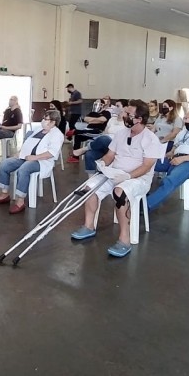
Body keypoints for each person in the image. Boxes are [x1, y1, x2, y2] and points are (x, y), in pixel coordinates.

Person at [69, 100, 161, 258]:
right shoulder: (121, 134)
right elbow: (110, 155)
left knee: (120, 193)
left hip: (138, 178)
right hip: (114, 173)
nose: (123, 116)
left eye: (128, 114)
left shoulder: (151, 139)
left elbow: (147, 166)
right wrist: (102, 163)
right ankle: (88, 226)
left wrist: (128, 176)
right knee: (89, 188)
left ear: (139, 119)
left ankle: (124, 239)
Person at [0, 109, 64, 214]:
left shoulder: (57, 135)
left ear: (53, 122)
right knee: (4, 164)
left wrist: (35, 157)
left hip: (41, 161)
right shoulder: (38, 129)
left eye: (46, 119)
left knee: (24, 169)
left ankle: (20, 201)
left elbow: (51, 153)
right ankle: (4, 194)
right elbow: (28, 142)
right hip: (25, 157)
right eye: (43, 118)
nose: (43, 120)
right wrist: (20, 153)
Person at [146, 109, 189, 211]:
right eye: (185, 118)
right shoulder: (183, 132)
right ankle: (140, 194)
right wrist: (168, 154)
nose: (187, 121)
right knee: (146, 164)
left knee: (170, 180)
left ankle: (146, 205)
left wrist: (183, 158)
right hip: (174, 158)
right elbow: (176, 146)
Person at [72, 99, 128, 173]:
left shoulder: (127, 122)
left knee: (104, 139)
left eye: (118, 106)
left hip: (116, 145)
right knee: (89, 155)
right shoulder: (112, 119)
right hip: (105, 144)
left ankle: (85, 148)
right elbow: (105, 132)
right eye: (115, 106)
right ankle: (91, 179)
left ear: (125, 108)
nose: (115, 108)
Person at [68, 96, 112, 161]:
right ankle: (75, 157)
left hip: (98, 131)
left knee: (80, 132)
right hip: (88, 130)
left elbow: (102, 120)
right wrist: (96, 120)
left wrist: (92, 120)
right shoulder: (92, 113)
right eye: (95, 104)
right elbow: (86, 119)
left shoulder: (106, 113)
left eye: (98, 104)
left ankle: (75, 132)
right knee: (78, 136)